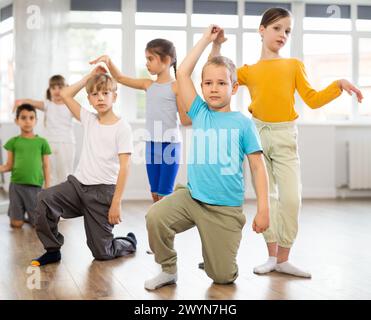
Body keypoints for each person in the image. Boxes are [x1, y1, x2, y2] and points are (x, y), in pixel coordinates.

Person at [210, 8, 363, 278]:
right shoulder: (248, 71)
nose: (283, 34)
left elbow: (313, 99)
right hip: (256, 136)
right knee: (267, 199)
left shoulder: (293, 65)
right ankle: (271, 257)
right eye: (277, 28)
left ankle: (284, 258)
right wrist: (217, 45)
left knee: (291, 198)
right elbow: (217, 74)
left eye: (287, 31)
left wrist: (338, 85)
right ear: (261, 30)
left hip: (284, 137)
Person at [143, 26, 270, 291]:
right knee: (155, 216)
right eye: (208, 83)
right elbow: (183, 72)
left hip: (225, 210)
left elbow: (258, 167)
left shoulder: (243, 124)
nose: (214, 89)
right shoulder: (200, 112)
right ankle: (168, 269)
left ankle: (216, 252)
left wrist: (263, 208)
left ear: (234, 88)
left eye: (221, 83)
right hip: (192, 198)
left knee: (222, 276)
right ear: (201, 87)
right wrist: (205, 39)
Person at [31, 67, 137, 267]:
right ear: (88, 98)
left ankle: (128, 242)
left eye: (105, 93)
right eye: (95, 94)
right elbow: (65, 94)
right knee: (44, 198)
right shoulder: (89, 119)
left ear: (115, 96)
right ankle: (52, 250)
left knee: (102, 253)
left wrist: (116, 202)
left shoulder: (122, 127)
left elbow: (125, 167)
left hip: (103, 192)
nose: (100, 98)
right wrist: (89, 77)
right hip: (77, 186)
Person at [90, 38, 191, 204]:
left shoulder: (176, 86)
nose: (147, 63)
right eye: (146, 59)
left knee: (165, 195)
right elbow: (121, 78)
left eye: (150, 59)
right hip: (151, 145)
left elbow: (185, 119)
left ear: (166, 60)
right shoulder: (147, 84)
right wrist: (108, 61)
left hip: (170, 146)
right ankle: (157, 228)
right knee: (154, 194)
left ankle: (166, 228)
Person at [14, 75, 76, 186]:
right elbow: (31, 102)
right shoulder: (48, 104)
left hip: (66, 143)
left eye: (60, 87)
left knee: (66, 173)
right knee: (49, 173)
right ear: (50, 90)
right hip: (49, 142)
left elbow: (83, 116)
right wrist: (19, 101)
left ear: (66, 88)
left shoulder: (70, 105)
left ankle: (66, 199)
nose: (57, 91)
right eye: (53, 88)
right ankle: (49, 198)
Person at [0, 104, 51, 228]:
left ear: (36, 121)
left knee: (37, 224)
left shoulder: (42, 142)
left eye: (31, 118)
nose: (27, 121)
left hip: (35, 187)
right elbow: (8, 165)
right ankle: (18, 215)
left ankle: (31, 215)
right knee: (16, 224)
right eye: (23, 118)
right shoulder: (13, 142)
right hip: (16, 186)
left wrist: (47, 187)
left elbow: (46, 165)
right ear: (17, 121)